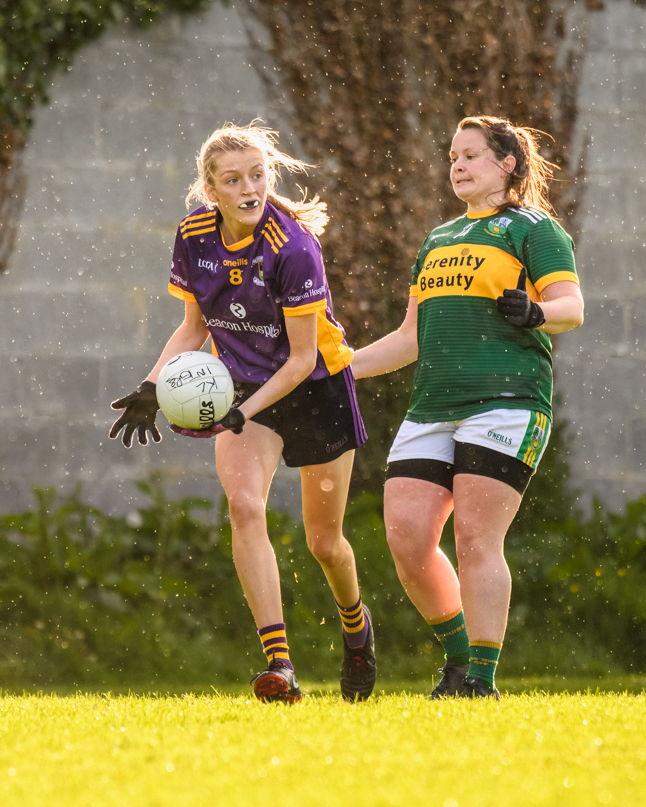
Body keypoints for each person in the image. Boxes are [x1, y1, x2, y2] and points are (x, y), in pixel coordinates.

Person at [109, 122, 376, 703]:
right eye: (234, 179)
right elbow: (193, 328)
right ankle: (281, 667)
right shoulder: (195, 235)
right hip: (246, 390)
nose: (250, 188)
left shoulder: (293, 248)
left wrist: (239, 411)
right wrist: (152, 386)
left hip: (315, 387)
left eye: (258, 175)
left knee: (324, 543)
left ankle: (357, 632)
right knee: (245, 506)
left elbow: (302, 360)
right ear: (212, 190)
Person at [351, 115, 584, 699]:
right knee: (407, 539)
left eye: (471, 156)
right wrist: (338, 369)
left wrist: (534, 312)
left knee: (477, 540)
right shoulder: (439, 238)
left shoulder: (535, 230)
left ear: (507, 165)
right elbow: (410, 337)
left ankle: (481, 679)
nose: (456, 165)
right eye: (452, 156)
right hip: (432, 406)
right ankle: (457, 663)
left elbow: (572, 307)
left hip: (507, 403)